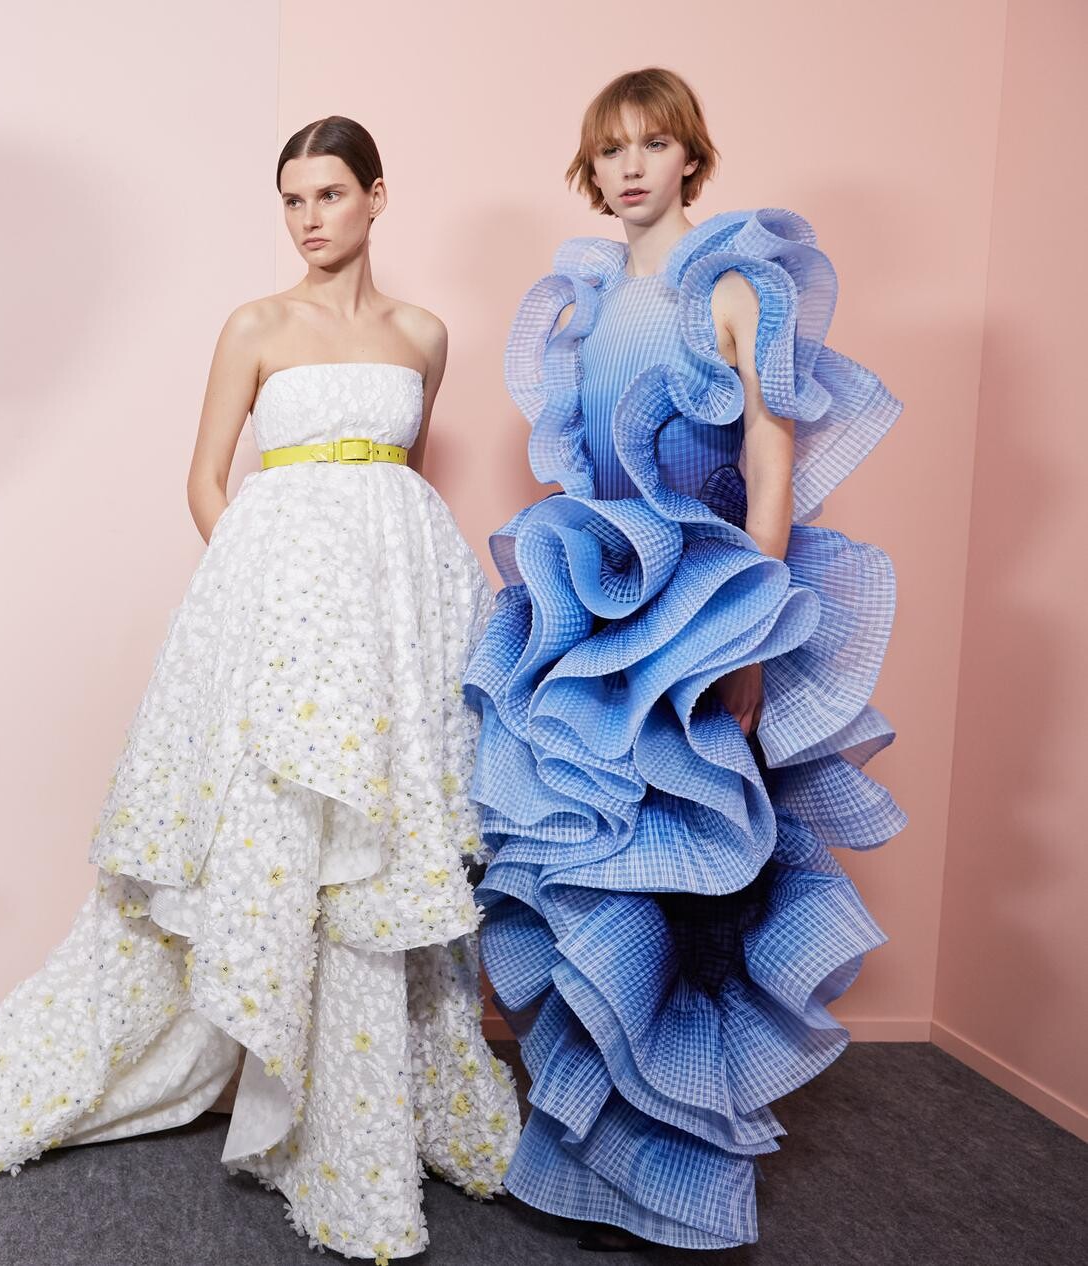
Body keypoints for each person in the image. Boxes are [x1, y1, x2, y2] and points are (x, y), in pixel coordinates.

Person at [0, 117, 520, 1263]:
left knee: (379, 857)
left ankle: (374, 1110)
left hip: (393, 628)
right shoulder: (255, 326)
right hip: (279, 626)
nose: (309, 218)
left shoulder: (423, 334)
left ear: (376, 197)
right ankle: (302, 1113)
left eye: (329, 194)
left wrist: (388, 611)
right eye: (291, 199)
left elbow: (396, 494)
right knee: (286, 843)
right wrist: (261, 606)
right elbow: (205, 479)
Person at [463, 67, 906, 1251]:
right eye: (611, 147)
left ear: (689, 157)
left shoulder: (734, 283)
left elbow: (770, 462)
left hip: (707, 611)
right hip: (601, 610)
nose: (630, 166)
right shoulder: (586, 300)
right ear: (590, 166)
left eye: (652, 144)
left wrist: (750, 637)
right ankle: (596, 1172)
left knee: (697, 894)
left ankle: (686, 1190)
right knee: (598, 876)